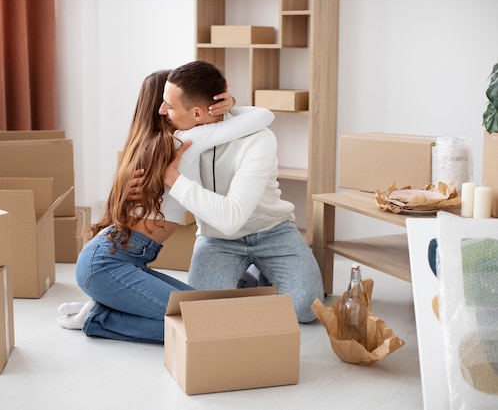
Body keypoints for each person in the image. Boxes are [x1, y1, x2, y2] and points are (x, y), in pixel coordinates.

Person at [58, 69, 274, 343]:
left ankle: (106, 306)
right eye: (169, 101)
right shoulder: (183, 141)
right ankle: (98, 317)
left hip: (117, 260)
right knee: (204, 325)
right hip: (106, 264)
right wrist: (229, 103)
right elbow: (263, 117)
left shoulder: (151, 144)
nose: (168, 106)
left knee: (204, 312)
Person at [160, 60, 324, 323]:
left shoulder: (259, 139)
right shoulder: (176, 136)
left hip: (272, 232)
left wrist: (174, 179)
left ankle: (259, 276)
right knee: (204, 313)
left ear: (199, 114)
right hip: (216, 240)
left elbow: (231, 217)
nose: (162, 110)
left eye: (169, 105)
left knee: (306, 308)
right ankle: (251, 280)